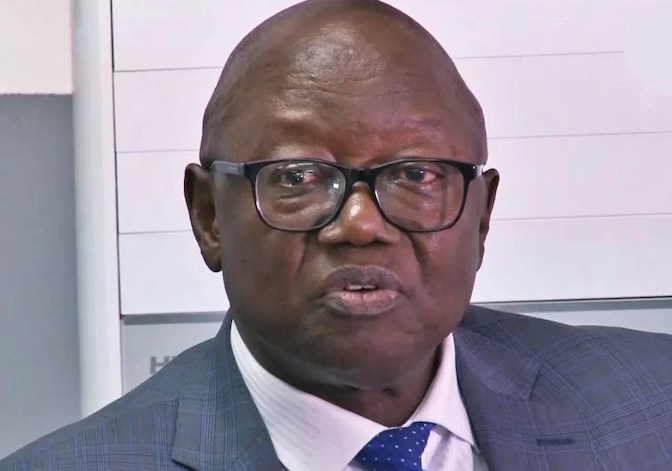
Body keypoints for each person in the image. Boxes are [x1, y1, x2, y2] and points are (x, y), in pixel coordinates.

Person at [3, 0, 672, 469]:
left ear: (482, 216)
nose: (360, 225)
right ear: (208, 217)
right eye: (297, 177)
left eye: (416, 174)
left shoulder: (653, 403)